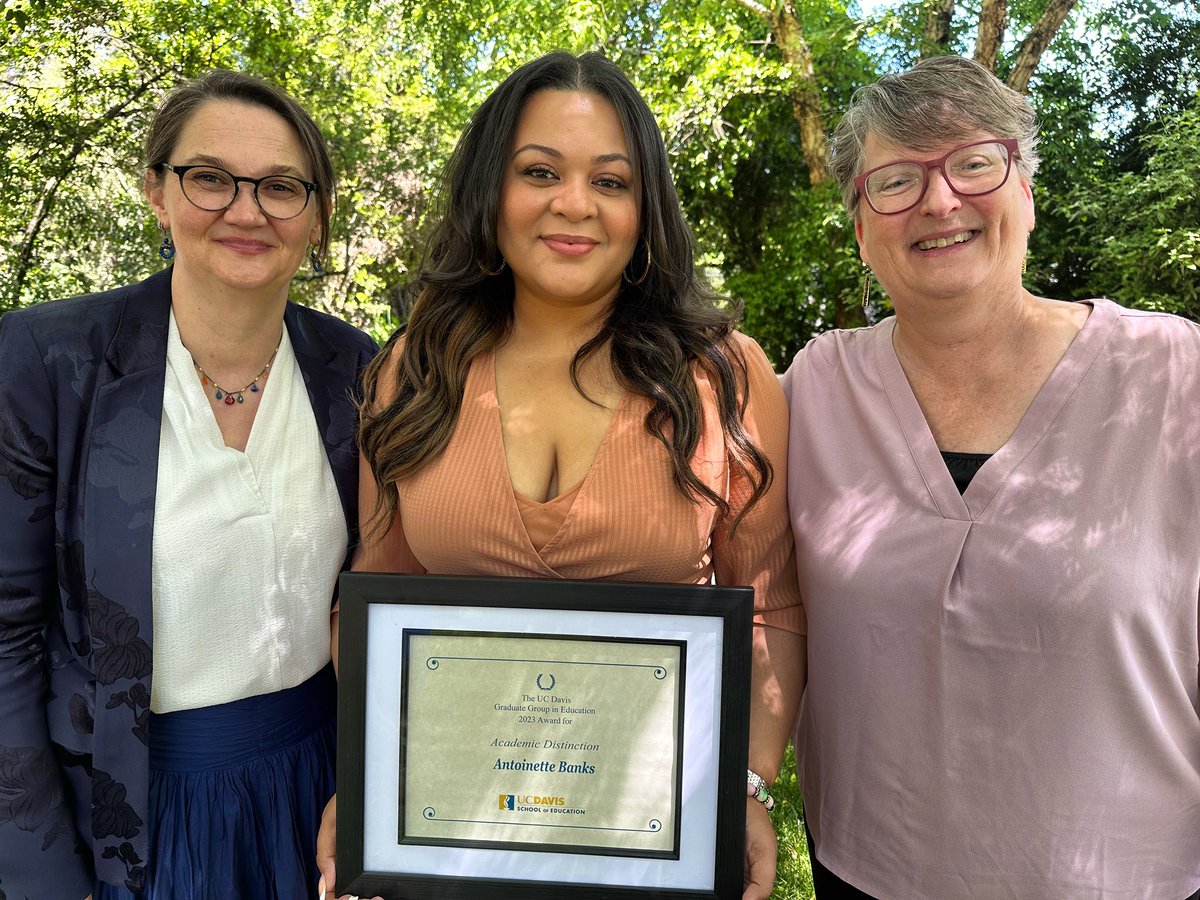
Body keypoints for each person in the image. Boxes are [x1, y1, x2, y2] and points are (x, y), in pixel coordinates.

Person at [314, 50, 801, 900]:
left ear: (644, 208)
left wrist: (752, 784)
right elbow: (377, 593)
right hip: (455, 839)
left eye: (610, 181)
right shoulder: (412, 372)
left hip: (653, 844)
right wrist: (369, 784)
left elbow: (773, 606)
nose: (574, 204)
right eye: (539, 171)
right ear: (489, 193)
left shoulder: (726, 375)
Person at [748, 54, 1200, 898]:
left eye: (974, 163)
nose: (940, 200)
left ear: (1026, 190)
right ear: (859, 225)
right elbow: (723, 564)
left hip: (1131, 877)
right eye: (895, 181)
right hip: (871, 873)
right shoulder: (812, 390)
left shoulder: (1175, 374)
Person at [0, 70, 377, 899]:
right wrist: (42, 877)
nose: (247, 211)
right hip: (127, 807)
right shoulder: (44, 365)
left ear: (315, 219)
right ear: (156, 192)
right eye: (210, 178)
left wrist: (379, 803)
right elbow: (6, 640)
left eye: (282, 188)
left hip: (317, 795)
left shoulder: (360, 373)